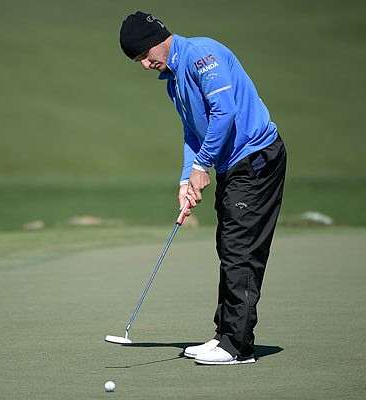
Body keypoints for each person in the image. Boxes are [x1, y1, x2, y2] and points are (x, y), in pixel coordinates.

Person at [119, 11, 287, 365]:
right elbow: (193, 132)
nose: (145, 66)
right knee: (229, 246)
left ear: (154, 42)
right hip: (233, 164)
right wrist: (186, 178)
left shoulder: (200, 54)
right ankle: (225, 335)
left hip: (256, 159)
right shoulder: (173, 81)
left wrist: (201, 165)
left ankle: (238, 347)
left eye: (144, 57)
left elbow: (223, 112)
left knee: (240, 250)